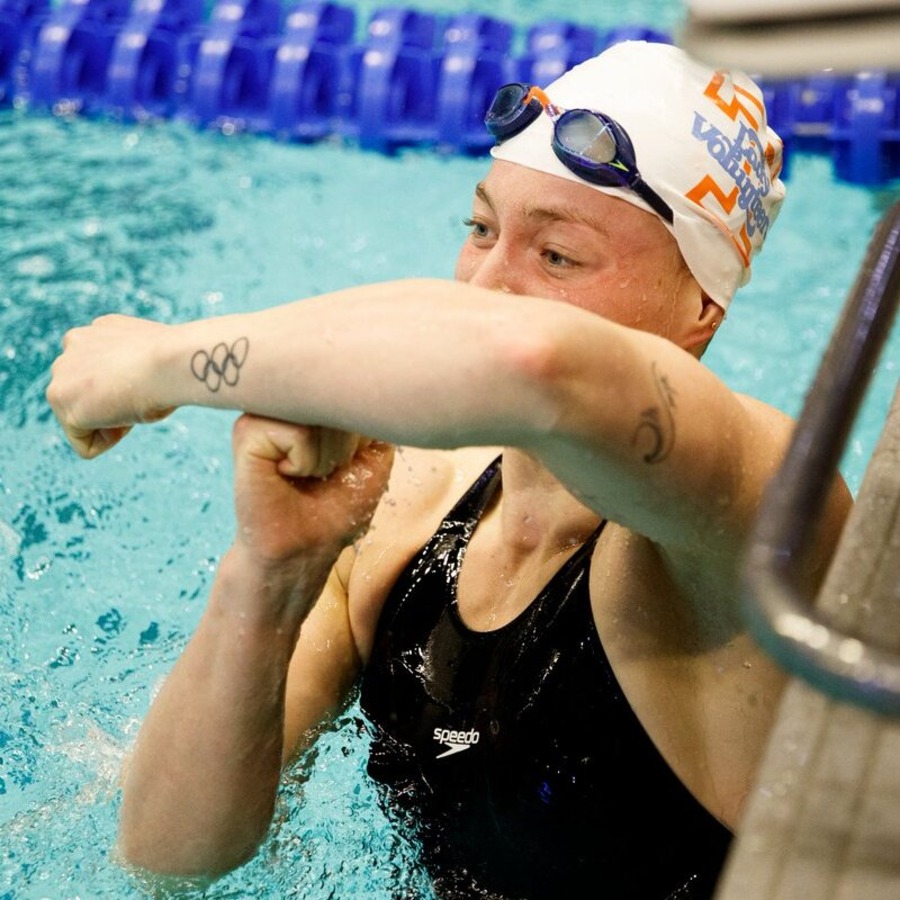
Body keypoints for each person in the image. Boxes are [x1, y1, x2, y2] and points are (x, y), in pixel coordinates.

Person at [46, 41, 851, 899]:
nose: (485, 285)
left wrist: (156, 365)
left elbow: (533, 363)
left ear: (700, 307)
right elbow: (173, 857)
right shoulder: (411, 509)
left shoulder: (751, 502)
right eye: (481, 230)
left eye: (558, 256)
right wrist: (272, 572)